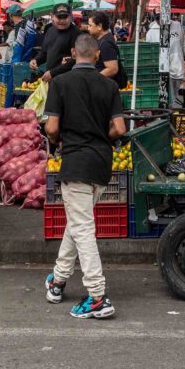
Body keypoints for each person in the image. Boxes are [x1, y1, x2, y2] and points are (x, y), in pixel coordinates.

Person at [43, 33, 124, 320]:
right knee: (78, 223)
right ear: (97, 55)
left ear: (73, 53)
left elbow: (52, 128)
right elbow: (120, 129)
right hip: (101, 163)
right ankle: (58, 280)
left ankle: (97, 296)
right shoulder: (109, 85)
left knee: (83, 228)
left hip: (75, 162)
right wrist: (102, 135)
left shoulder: (60, 83)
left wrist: (58, 141)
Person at [146, 11, 185, 104]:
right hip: (160, 72)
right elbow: (150, 54)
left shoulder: (178, 26)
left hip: (177, 70)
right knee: (164, 101)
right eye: (158, 19)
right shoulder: (151, 33)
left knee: (176, 101)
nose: (161, 21)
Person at [33, 4, 84, 85]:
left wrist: (53, 73)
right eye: (59, 17)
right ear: (52, 16)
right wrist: (36, 60)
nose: (62, 20)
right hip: (51, 80)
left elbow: (77, 59)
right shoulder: (50, 30)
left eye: (65, 17)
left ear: (70, 17)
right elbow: (44, 52)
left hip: (68, 81)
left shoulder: (76, 33)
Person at [86, 11, 122, 87]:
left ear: (99, 26)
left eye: (90, 25)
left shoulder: (106, 43)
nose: (88, 28)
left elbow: (112, 69)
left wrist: (93, 79)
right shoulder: (101, 39)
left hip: (103, 86)